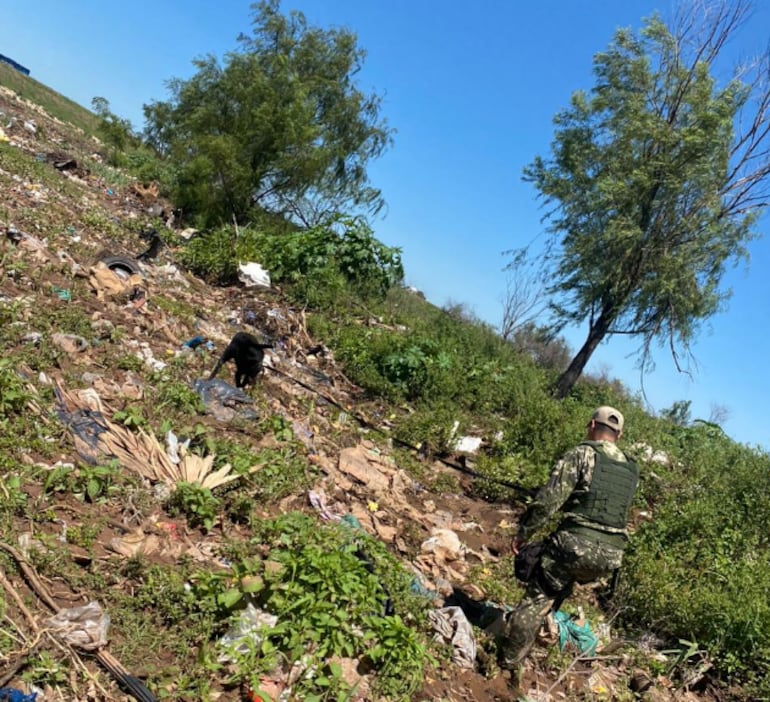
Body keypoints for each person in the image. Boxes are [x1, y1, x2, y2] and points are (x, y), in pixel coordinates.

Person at [493, 406, 639, 668]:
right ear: (620, 434)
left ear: (592, 425)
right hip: (610, 557)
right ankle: (536, 637)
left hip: (576, 545)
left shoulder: (582, 454)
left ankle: (507, 663)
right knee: (559, 584)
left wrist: (523, 533)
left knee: (537, 597)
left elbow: (548, 502)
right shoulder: (631, 469)